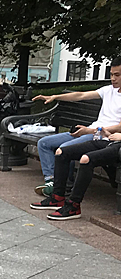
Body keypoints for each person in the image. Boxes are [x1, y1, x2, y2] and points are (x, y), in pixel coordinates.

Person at [29, 58, 121, 196]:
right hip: (88, 130)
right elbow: (81, 95)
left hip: (101, 136)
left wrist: (90, 131)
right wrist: (55, 96)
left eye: (117, 75)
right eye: (111, 74)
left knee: (65, 149)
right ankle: (52, 182)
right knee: (44, 143)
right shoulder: (108, 90)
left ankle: (64, 184)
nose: (113, 78)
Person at [29, 124, 121, 220]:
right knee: (61, 153)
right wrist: (108, 134)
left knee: (86, 159)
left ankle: (73, 206)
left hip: (118, 146)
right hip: (110, 142)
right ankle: (57, 198)